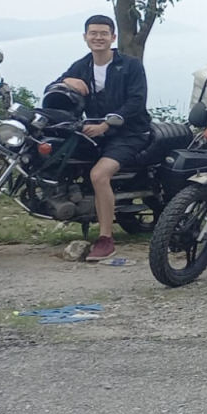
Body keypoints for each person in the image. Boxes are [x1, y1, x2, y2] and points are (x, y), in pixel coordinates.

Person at [49, 15, 151, 262]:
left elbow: (136, 101)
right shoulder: (82, 66)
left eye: (103, 33)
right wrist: (66, 81)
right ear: (85, 37)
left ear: (113, 37)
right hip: (96, 132)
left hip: (130, 133)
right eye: (93, 33)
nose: (98, 37)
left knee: (98, 175)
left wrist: (106, 124)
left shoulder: (131, 65)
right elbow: (52, 90)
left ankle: (106, 239)